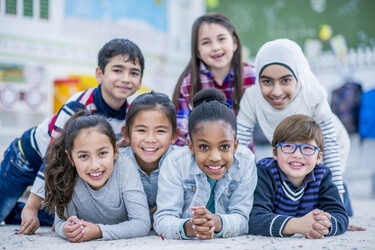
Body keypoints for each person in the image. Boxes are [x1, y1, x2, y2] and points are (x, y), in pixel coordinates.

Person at [0, 38, 144, 235]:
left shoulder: (129, 117)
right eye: (118, 70)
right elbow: (52, 156)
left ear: (140, 80)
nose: (126, 78)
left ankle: (15, 210)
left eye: (134, 73)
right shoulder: (79, 104)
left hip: (64, 162)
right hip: (26, 157)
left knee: (61, 219)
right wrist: (32, 207)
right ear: (99, 74)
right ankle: (21, 207)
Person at [237, 38, 349, 203]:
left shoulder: (312, 94)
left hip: (330, 143)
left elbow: (330, 144)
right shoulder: (252, 98)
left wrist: (337, 196)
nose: (276, 91)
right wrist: (236, 192)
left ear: (298, 76)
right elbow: (240, 147)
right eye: (267, 81)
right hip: (294, 147)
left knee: (322, 190)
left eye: (286, 80)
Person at [154, 88, 257, 240]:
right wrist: (190, 227)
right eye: (203, 147)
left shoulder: (246, 162)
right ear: (190, 146)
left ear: (235, 146)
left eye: (224, 147)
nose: (215, 157)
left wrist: (216, 222)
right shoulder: (176, 163)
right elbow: (163, 219)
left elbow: (243, 218)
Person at [44, 110, 150, 242]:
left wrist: (99, 231)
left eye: (102, 153)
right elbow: (61, 223)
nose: (95, 165)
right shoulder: (66, 174)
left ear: (115, 150)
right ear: (70, 158)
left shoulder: (125, 166)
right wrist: (67, 230)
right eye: (83, 156)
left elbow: (142, 224)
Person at [248, 114, 349, 238]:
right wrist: (297, 225)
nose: (297, 154)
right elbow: (255, 219)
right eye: (288, 146)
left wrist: (323, 225)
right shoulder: (265, 172)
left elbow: (340, 215)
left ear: (319, 157)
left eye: (307, 148)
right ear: (275, 152)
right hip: (292, 211)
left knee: (346, 208)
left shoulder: (322, 175)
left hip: (319, 196)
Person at [172, 12, 256, 146]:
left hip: (243, 157)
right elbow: (181, 132)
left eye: (221, 39)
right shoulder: (189, 83)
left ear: (234, 43)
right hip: (202, 159)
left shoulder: (252, 75)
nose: (216, 47)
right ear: (198, 52)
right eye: (206, 42)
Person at [120, 91, 179, 221]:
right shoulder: (116, 164)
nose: (150, 139)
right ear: (126, 134)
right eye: (141, 130)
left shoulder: (182, 163)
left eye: (160, 131)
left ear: (174, 136)